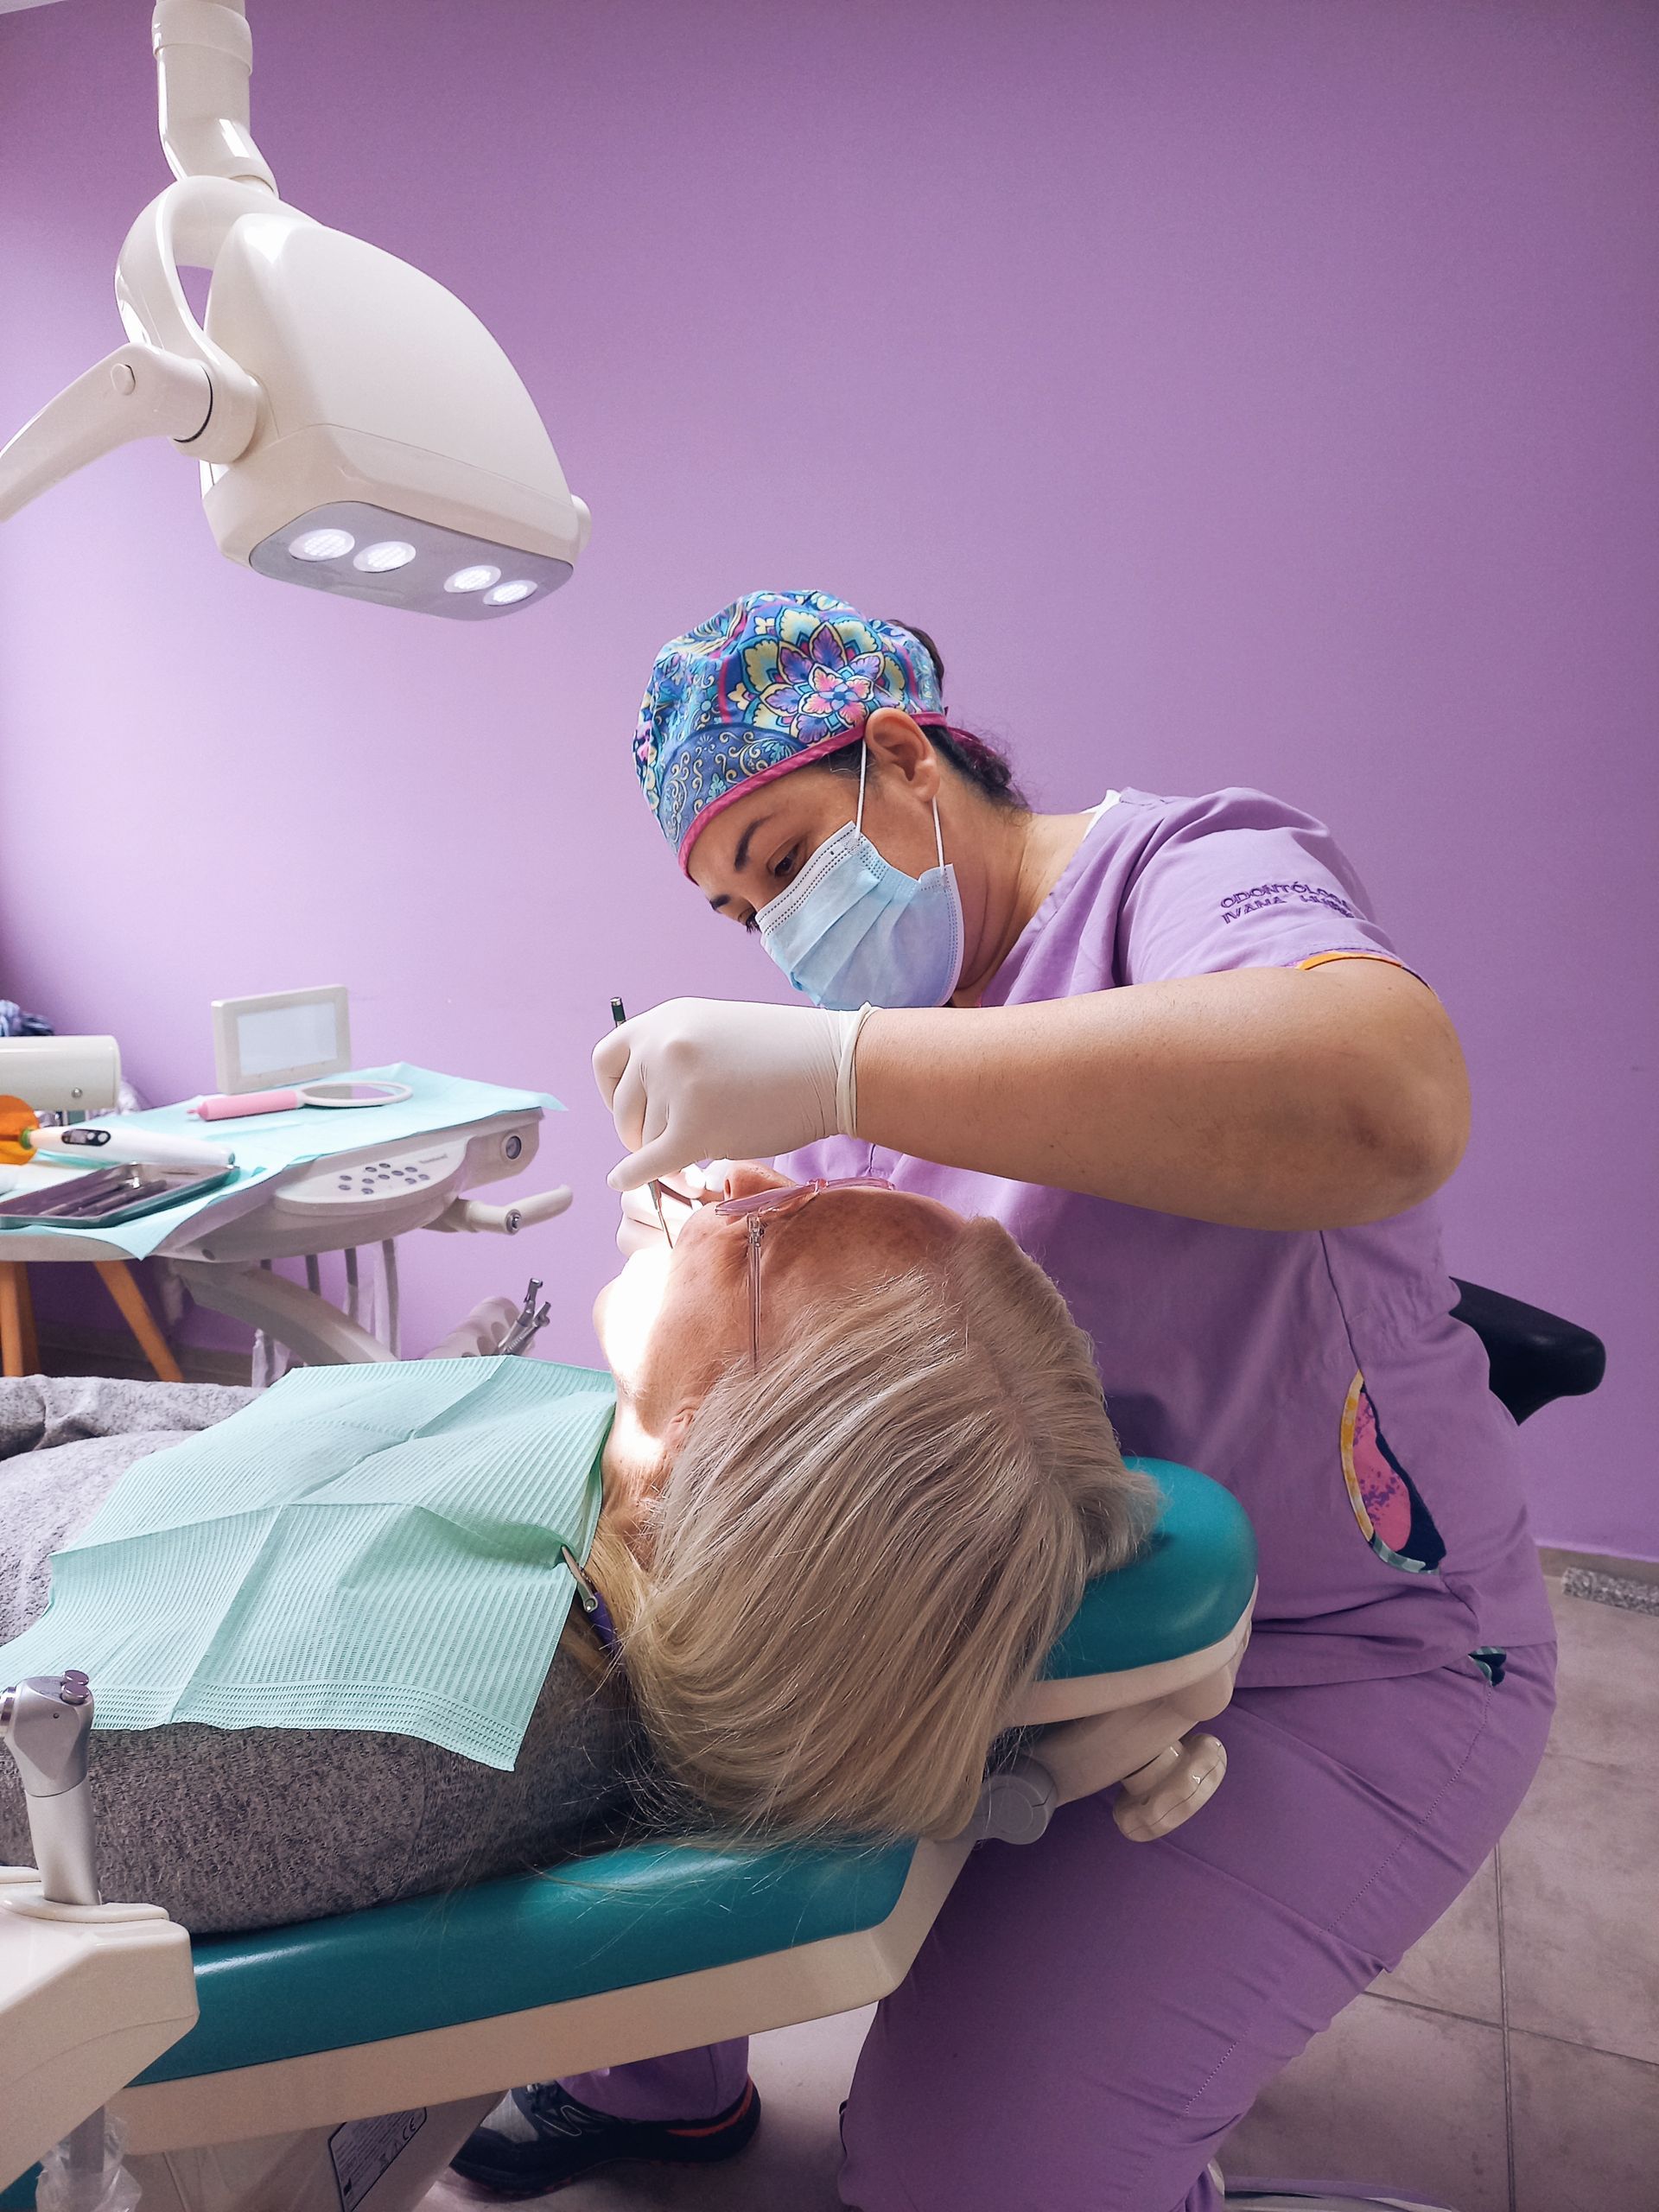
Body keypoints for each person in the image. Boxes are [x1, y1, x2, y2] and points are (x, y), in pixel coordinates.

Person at [467, 591, 1557, 2211]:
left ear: (900, 756)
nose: (776, 932)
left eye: (778, 860)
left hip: (1335, 1662)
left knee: (965, 2176)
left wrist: (839, 1071)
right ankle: (650, 2081)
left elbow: (1382, 1096)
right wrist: (721, 1206)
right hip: (1022, 1624)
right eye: (734, 912)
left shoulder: (1180, 874)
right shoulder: (864, 1044)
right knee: (648, 1666)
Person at [0, 1170, 1150, 1944]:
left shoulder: (383, 1734)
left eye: (767, 1229)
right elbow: (217, 1427)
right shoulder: (589, 1455)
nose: (736, 1182)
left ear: (714, 1442)